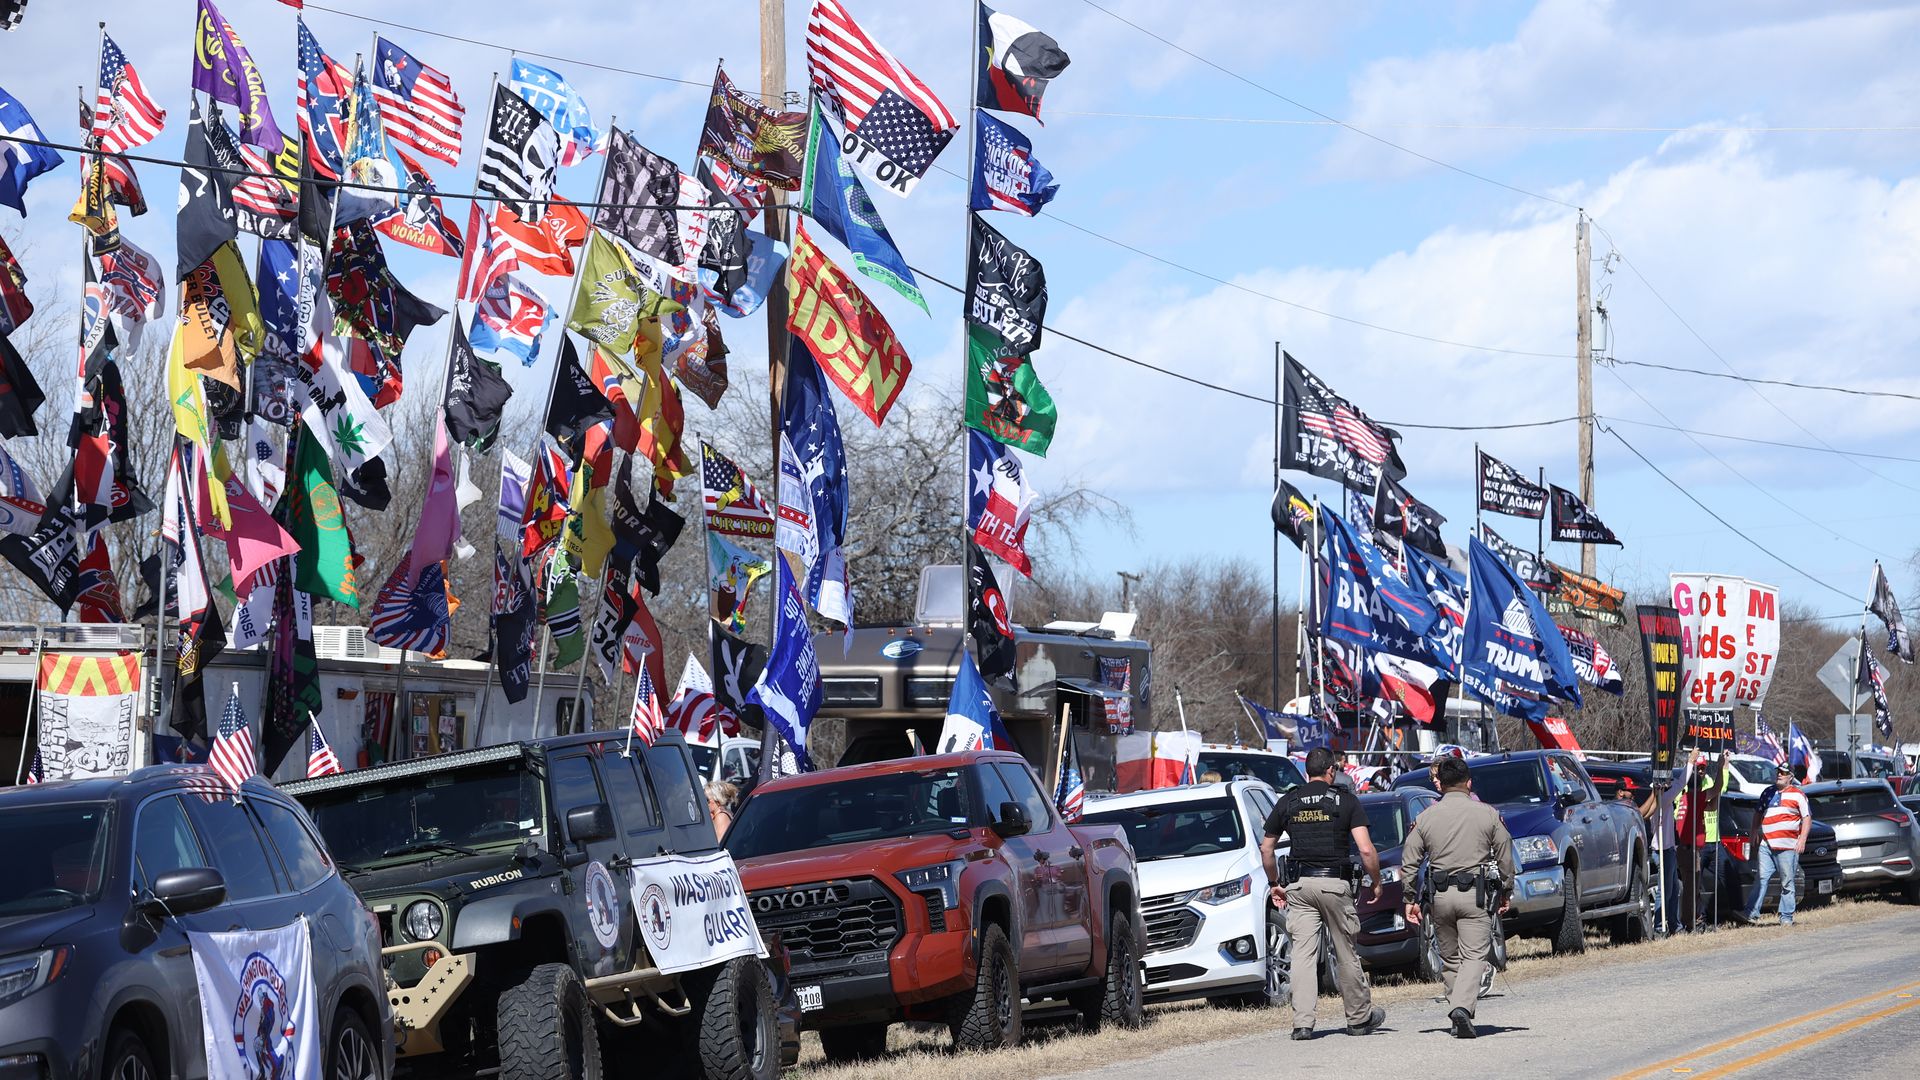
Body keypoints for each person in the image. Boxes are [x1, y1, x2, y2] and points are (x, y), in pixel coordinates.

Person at [1259, 747, 1386, 1040]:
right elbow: (1366, 849)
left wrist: (1274, 883)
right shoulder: (1345, 800)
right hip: (1334, 884)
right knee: (1345, 952)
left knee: (1302, 955)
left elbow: (1267, 849)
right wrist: (1376, 881)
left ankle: (1303, 1023)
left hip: (1300, 887)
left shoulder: (1288, 801)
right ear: (1332, 770)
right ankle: (1358, 1019)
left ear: (1307, 772)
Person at [1401, 756, 1515, 1040]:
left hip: (1440, 896)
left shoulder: (1425, 817)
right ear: (1469, 783)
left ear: (1442, 784)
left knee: (1450, 958)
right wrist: (1506, 889)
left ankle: (1456, 1015)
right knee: (1474, 954)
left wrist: (1409, 897)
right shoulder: (1487, 814)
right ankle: (1462, 1008)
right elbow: (1504, 852)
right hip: (1474, 896)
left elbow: (1409, 860)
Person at [1746, 763, 1810, 925]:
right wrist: (1754, 831)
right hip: (1766, 844)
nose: (1779, 774)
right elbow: (1758, 813)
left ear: (1791, 777)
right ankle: (1751, 913)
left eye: (1783, 773)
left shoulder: (1798, 795)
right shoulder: (1768, 792)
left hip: (1788, 846)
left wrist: (1802, 839)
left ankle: (1786, 917)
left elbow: (1807, 818)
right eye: (1778, 772)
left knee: (1787, 882)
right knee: (1761, 879)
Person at [1676, 751, 1728, 928]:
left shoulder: (1685, 797)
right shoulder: (1694, 797)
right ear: (1699, 788)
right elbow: (1717, 787)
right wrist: (1721, 767)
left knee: (1692, 889)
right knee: (1691, 890)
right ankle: (1690, 923)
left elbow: (1712, 805)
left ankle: (1693, 919)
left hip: (1686, 849)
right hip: (1689, 850)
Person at [1639, 776, 1683, 934]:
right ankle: (1659, 927)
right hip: (1661, 850)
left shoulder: (1665, 800)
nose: (1670, 785)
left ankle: (1674, 925)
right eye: (1667, 784)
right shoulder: (1663, 800)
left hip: (1669, 849)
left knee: (1673, 890)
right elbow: (1681, 783)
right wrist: (1690, 762)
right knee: (1664, 891)